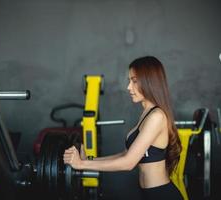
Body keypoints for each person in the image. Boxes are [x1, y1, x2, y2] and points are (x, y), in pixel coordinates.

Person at [63, 56, 183, 200]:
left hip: (161, 195)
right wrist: (90, 160)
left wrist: (81, 164)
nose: (128, 87)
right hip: (148, 194)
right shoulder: (147, 113)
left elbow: (128, 162)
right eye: (129, 81)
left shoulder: (157, 116)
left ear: (149, 82)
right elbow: (126, 154)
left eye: (134, 81)